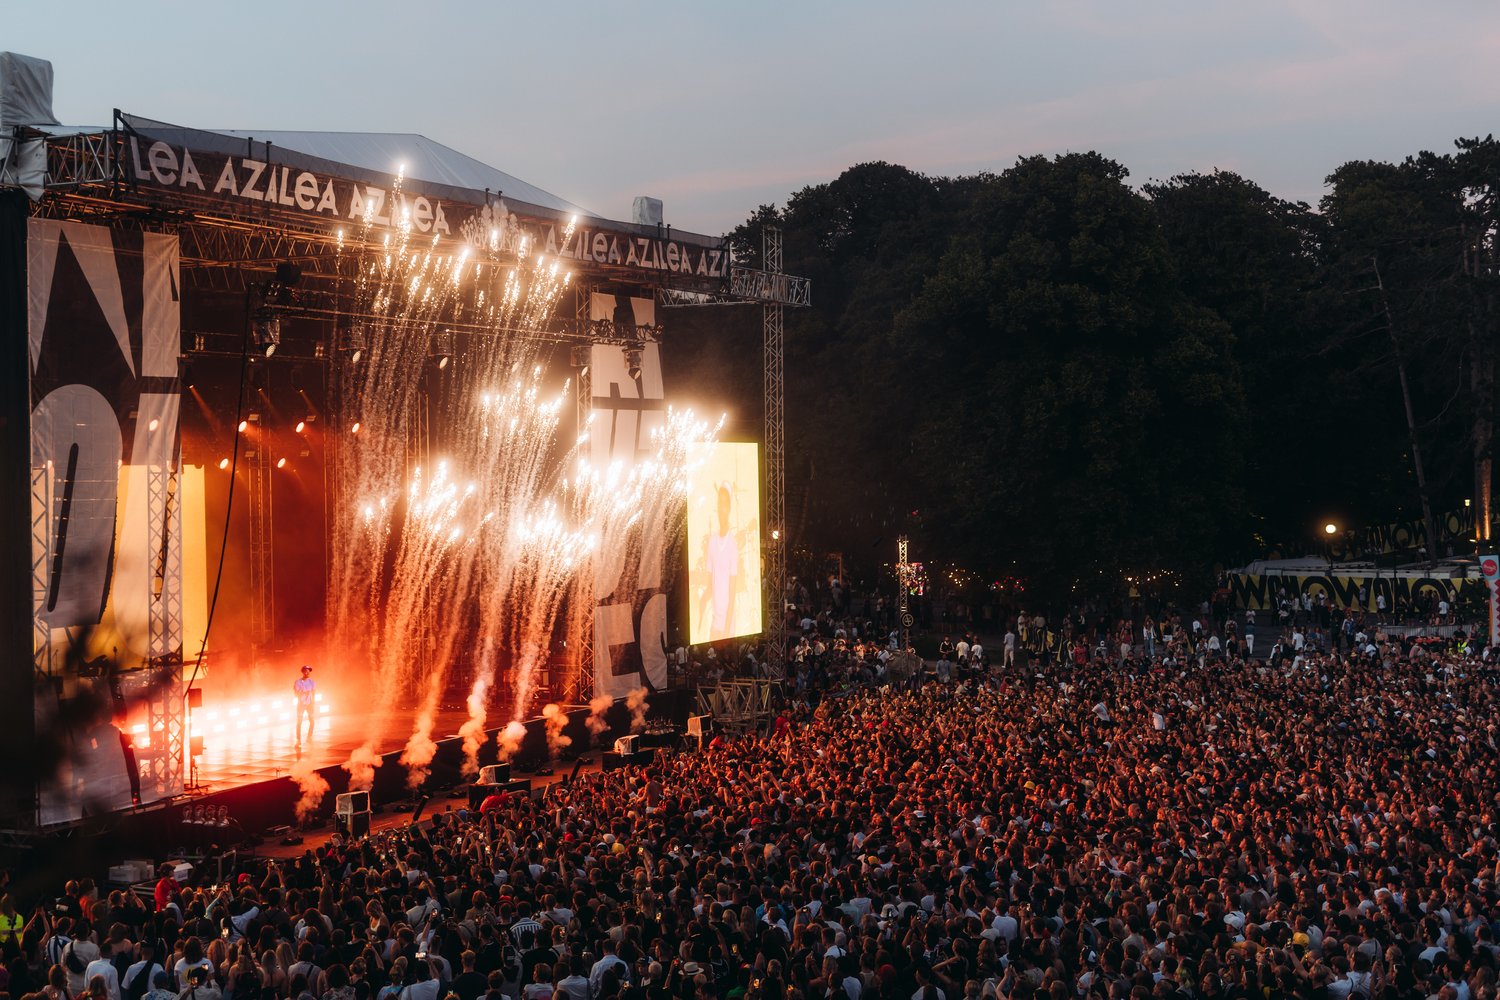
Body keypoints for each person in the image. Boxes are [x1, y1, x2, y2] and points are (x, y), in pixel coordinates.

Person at [294, 665, 316, 745]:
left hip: (309, 704)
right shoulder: (298, 682)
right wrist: (303, 692)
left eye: (309, 671)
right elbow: (296, 692)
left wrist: (313, 703)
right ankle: (298, 739)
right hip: (301, 704)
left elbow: (314, 692)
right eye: (306, 670)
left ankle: (309, 736)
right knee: (299, 722)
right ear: (303, 672)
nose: (308, 672)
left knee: (312, 721)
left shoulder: (312, 682)